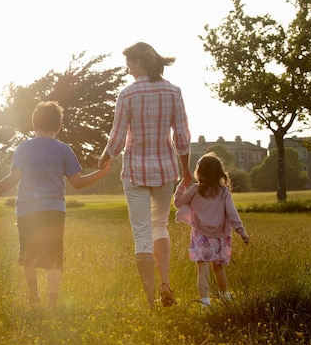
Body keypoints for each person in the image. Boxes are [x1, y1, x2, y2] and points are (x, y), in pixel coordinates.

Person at [0, 101, 110, 307]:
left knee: (28, 252)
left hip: (27, 211)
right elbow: (77, 183)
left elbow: (12, 178)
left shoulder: (24, 148)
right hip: (54, 211)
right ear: (58, 127)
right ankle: (53, 302)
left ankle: (34, 298)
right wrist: (101, 172)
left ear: (34, 124)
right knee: (53, 254)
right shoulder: (64, 150)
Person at [98, 42, 192, 308]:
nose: (128, 71)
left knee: (141, 233)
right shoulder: (174, 91)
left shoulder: (127, 95)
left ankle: (150, 301)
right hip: (165, 170)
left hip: (136, 171)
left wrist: (104, 158)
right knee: (159, 225)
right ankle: (165, 283)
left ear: (139, 63)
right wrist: (185, 170)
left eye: (129, 65)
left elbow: (116, 139)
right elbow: (182, 137)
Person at [173, 152, 250, 308]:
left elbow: (178, 203)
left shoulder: (195, 189)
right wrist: (241, 231)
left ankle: (205, 302)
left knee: (203, 268)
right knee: (218, 267)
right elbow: (232, 213)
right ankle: (224, 296)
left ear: (199, 172)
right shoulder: (223, 192)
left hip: (200, 236)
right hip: (219, 237)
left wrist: (181, 185)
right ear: (219, 173)